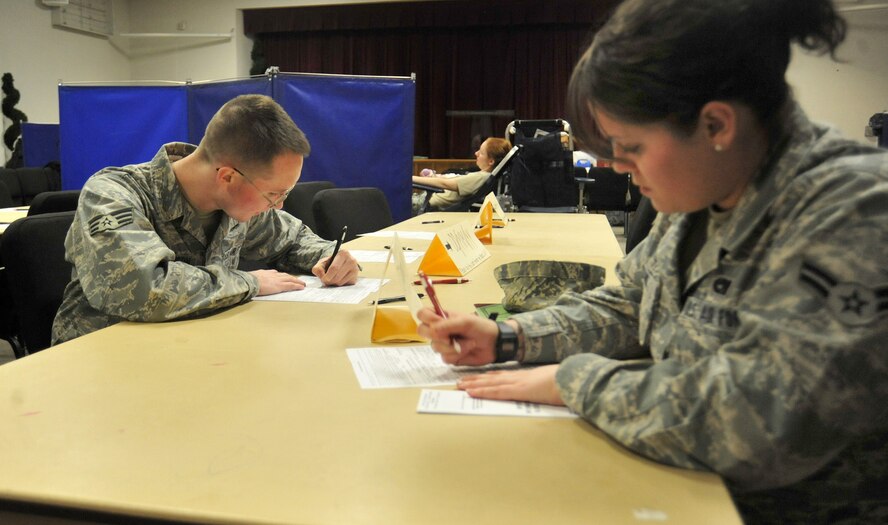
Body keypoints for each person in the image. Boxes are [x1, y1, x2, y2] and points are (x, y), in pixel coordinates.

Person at [417, 0, 888, 522]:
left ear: (715, 125)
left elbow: (757, 421)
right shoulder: (708, 187)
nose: (616, 166)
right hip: (680, 485)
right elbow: (629, 304)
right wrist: (510, 338)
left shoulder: (855, 215)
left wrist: (573, 381)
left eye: (631, 146)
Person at [52, 94, 360, 344]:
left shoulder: (237, 205)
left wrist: (329, 256)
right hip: (101, 359)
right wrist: (249, 282)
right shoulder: (113, 195)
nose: (278, 207)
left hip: (188, 350)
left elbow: (292, 239)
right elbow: (143, 290)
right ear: (227, 176)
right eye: (273, 195)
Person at [411, 137, 511, 211]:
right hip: (424, 199)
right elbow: (450, 180)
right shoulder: (482, 175)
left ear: (491, 161)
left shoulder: (481, 177)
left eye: (481, 152)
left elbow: (445, 184)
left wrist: (410, 178)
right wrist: (434, 176)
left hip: (425, 203)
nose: (476, 153)